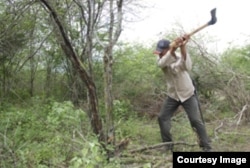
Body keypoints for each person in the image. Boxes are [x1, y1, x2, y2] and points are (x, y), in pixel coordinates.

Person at [153, 34, 212, 152]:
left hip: (187, 93)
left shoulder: (179, 56)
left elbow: (187, 66)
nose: (159, 54)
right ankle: (168, 146)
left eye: (161, 51)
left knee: (195, 120)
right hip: (173, 95)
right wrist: (172, 49)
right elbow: (161, 64)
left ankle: (206, 147)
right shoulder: (161, 58)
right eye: (158, 52)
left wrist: (183, 47)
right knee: (162, 118)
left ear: (167, 49)